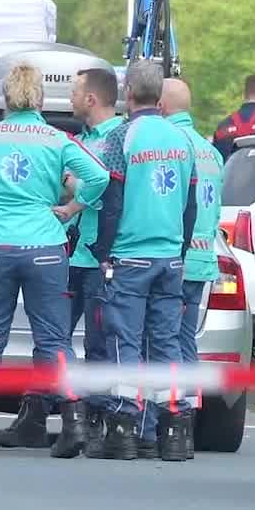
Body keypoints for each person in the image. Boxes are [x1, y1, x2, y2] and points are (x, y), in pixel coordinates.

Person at [0, 62, 110, 458]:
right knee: (53, 339)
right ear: (41, 98)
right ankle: (73, 421)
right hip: (46, 246)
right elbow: (99, 176)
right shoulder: (57, 139)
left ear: (7, 99)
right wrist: (73, 208)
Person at [86, 59, 198, 461]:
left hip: (130, 257)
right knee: (167, 343)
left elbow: (112, 202)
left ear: (128, 92)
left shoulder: (122, 138)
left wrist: (103, 253)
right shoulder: (183, 141)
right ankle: (174, 430)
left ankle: (124, 427)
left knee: (125, 343)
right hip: (170, 257)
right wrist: (180, 250)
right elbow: (189, 206)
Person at [132, 77, 223, 459]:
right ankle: (184, 426)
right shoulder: (211, 152)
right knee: (183, 342)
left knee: (157, 343)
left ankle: (157, 425)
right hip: (203, 260)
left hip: (173, 256)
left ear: (163, 108)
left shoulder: (172, 146)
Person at [64, 66, 126, 366]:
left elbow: (112, 196)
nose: (69, 101)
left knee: (98, 343)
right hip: (72, 255)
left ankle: (97, 410)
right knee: (54, 336)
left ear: (90, 99)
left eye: (73, 93)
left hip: (100, 258)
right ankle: (58, 404)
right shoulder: (80, 140)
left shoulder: (120, 138)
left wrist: (73, 185)